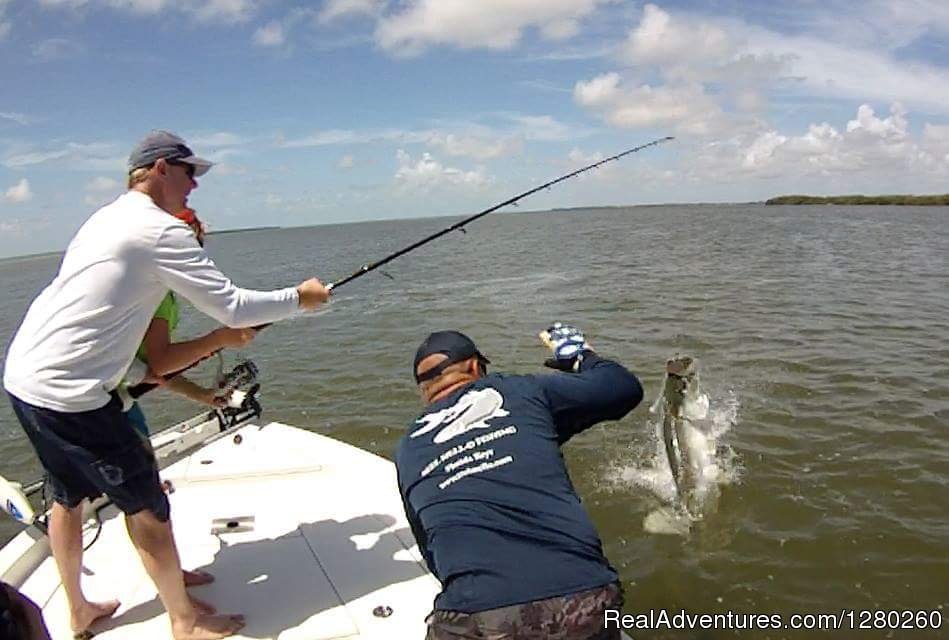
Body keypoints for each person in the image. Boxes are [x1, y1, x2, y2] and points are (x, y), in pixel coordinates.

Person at [3, 130, 330, 640]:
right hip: (71, 393)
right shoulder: (160, 230)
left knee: (67, 497)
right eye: (189, 173)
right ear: (159, 168)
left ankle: (80, 608)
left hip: (26, 376)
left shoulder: (105, 217)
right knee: (147, 502)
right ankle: (184, 620)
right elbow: (233, 308)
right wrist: (301, 298)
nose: (195, 186)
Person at [396, 324, 644, 640]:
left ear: (424, 390)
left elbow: (432, 552)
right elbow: (622, 388)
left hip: (470, 616)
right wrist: (581, 357)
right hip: (576, 598)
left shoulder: (407, 448)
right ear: (475, 366)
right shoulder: (517, 390)